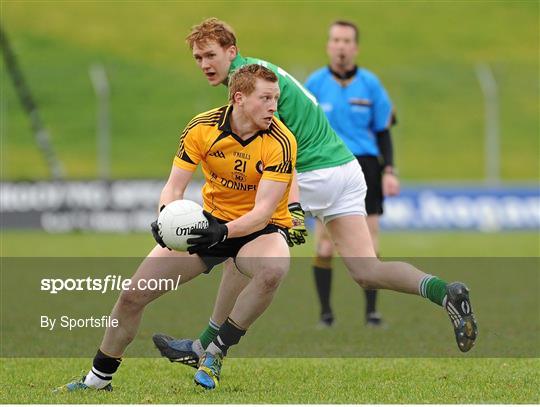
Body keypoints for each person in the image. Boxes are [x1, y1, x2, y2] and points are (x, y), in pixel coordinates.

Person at [154, 18, 478, 370]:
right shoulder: (261, 74)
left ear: (231, 52)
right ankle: (444, 292)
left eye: (209, 55)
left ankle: (204, 347)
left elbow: (282, 151)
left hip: (313, 172)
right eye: (198, 58)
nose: (204, 64)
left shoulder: (249, 87)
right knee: (367, 270)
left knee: (241, 242)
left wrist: (291, 208)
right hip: (345, 169)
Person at [56, 64, 297, 391]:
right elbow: (174, 187)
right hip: (208, 224)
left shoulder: (281, 141)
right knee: (131, 296)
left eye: (276, 98)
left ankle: (214, 352)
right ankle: (98, 380)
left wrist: (223, 233)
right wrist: (165, 216)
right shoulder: (202, 127)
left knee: (273, 270)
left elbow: (263, 212)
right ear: (239, 98)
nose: (274, 106)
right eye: (266, 98)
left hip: (261, 230)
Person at [304, 20, 400, 328]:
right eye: (336, 40)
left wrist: (389, 169)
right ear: (328, 45)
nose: (341, 46)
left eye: (347, 41)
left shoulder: (371, 84)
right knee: (324, 242)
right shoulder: (314, 84)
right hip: (327, 166)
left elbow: (383, 130)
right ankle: (325, 314)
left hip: (367, 166)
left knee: (370, 241)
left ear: (355, 47)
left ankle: (372, 313)